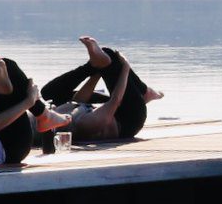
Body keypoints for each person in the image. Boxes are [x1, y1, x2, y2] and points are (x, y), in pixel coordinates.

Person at [34, 36, 163, 141]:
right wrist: (126, 68)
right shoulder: (86, 124)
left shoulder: (67, 114)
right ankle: (145, 92)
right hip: (129, 117)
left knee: (49, 93)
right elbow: (115, 100)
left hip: (106, 109)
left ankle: (94, 65)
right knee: (111, 58)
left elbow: (79, 101)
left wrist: (97, 72)